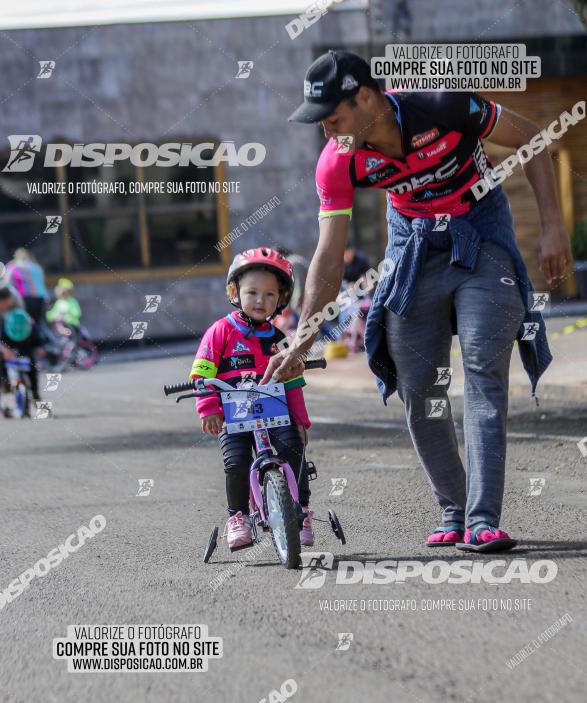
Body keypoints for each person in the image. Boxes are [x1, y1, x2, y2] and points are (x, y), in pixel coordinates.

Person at [262, 50, 572, 552]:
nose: (327, 132)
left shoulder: (442, 105)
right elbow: (328, 256)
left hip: (481, 231)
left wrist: (553, 227)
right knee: (418, 383)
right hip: (413, 244)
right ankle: (453, 507)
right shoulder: (338, 160)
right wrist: (303, 337)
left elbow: (535, 140)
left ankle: (482, 519)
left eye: (334, 118)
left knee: (482, 368)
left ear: (366, 98)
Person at [189, 247, 314, 550]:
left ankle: (302, 513)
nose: (261, 301)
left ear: (282, 299)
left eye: (270, 295)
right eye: (253, 292)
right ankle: (238, 516)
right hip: (235, 414)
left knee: (293, 450)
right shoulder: (220, 332)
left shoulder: (279, 339)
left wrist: (301, 421)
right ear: (234, 291)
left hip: (276, 412)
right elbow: (201, 376)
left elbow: (293, 385)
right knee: (237, 462)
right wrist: (208, 408)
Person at [4, 248, 49, 326]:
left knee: (24, 323)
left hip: (25, 298)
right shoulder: (37, 267)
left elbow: (7, 283)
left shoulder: (13, 266)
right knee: (38, 323)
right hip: (41, 298)